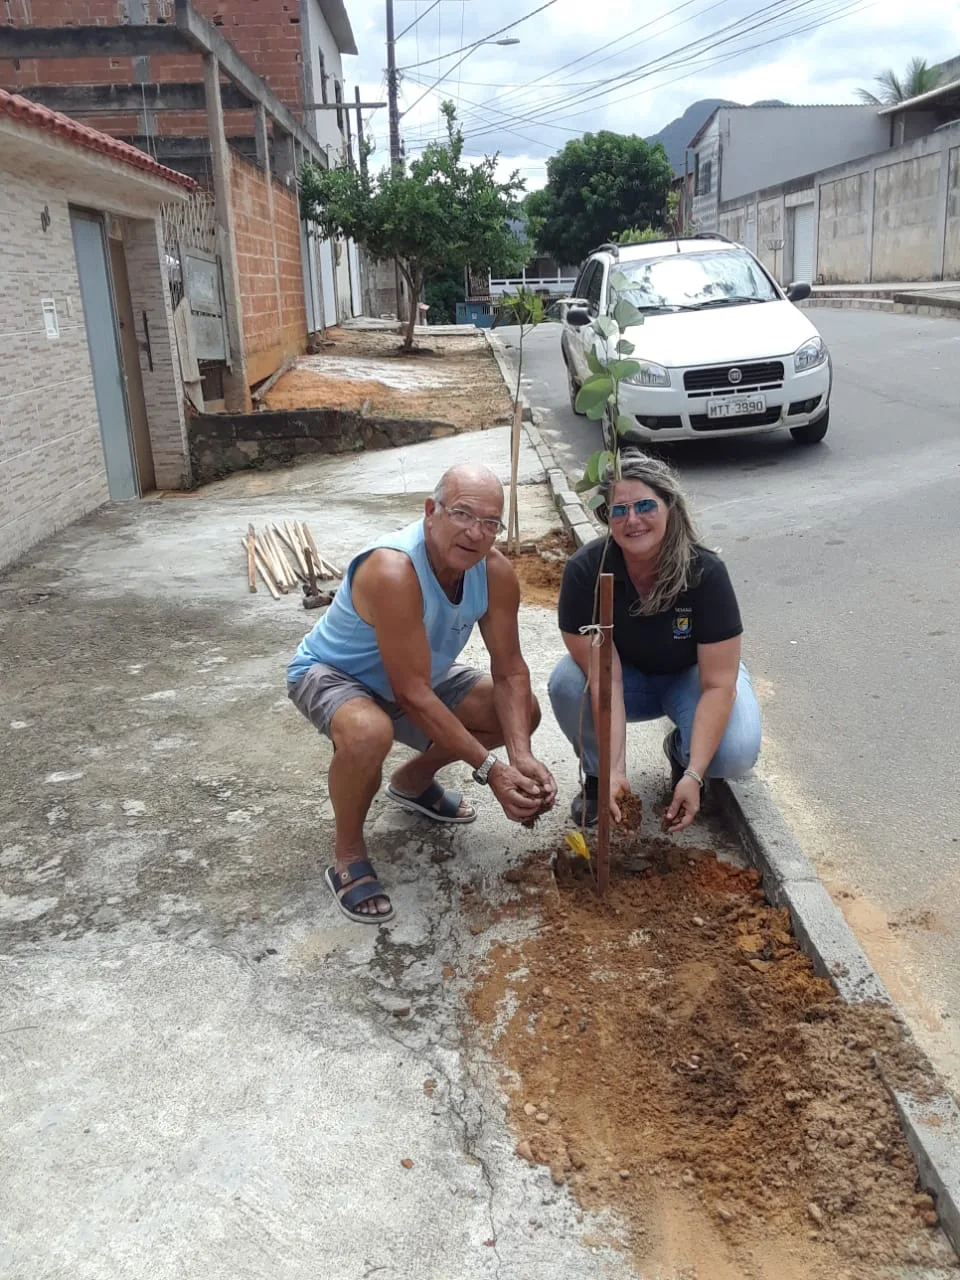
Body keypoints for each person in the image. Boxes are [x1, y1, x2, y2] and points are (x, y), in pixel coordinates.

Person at [287, 462, 557, 924]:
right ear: (430, 511)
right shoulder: (393, 569)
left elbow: (510, 671)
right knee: (369, 734)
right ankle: (348, 854)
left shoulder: (494, 573)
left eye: (491, 523)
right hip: (335, 674)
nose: (475, 532)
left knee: (520, 712)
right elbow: (410, 694)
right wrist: (491, 770)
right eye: (463, 514)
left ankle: (411, 782)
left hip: (417, 673)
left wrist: (520, 755)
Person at [548, 450, 761, 834]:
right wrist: (615, 768)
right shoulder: (586, 574)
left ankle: (683, 752)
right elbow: (606, 680)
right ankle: (598, 780)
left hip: (693, 680)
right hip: (627, 682)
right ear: (605, 518)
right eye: (618, 510)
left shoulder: (704, 573)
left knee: (736, 751)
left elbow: (718, 684)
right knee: (567, 684)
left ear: (669, 506)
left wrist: (695, 774)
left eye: (645, 505)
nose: (632, 520)